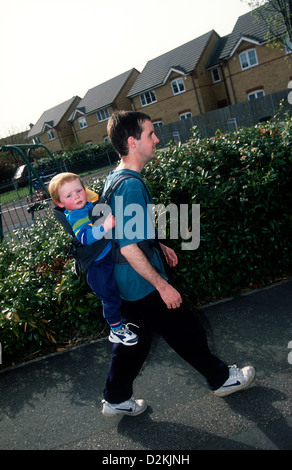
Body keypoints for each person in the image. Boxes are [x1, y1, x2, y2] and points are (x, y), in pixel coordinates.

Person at [100, 110, 255, 417]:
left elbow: (122, 231)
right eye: (150, 134)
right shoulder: (130, 185)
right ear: (133, 142)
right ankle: (222, 378)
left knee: (135, 341)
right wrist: (162, 285)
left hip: (125, 280)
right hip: (141, 281)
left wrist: (157, 243)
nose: (156, 139)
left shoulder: (115, 177)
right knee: (186, 329)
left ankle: (116, 397)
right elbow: (128, 246)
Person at [48, 172, 138, 346]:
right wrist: (105, 226)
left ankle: (121, 322)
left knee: (115, 291)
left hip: (103, 257)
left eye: (79, 190)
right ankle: (116, 330)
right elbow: (84, 237)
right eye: (69, 195)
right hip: (96, 265)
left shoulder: (85, 206)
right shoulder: (75, 215)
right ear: (60, 203)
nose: (76, 197)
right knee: (109, 297)